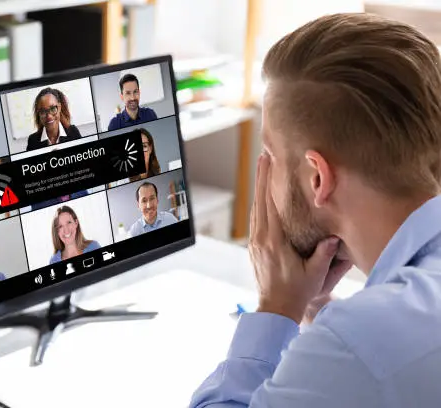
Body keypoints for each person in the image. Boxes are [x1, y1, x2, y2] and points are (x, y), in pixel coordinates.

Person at [189, 13, 441, 408]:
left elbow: (366, 353)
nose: (266, 171)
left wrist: (276, 308)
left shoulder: (361, 342)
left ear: (317, 178)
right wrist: (311, 306)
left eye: (269, 154)